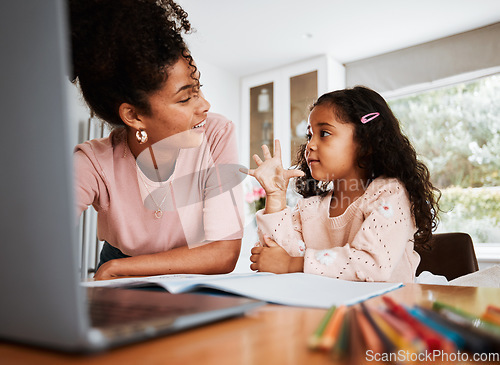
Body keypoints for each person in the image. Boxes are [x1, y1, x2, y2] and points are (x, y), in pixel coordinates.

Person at [70, 0, 244, 280]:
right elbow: (40, 244)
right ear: (134, 115)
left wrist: (118, 268)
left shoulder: (217, 133)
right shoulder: (93, 163)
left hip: (188, 267)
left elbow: (223, 252)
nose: (205, 105)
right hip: (119, 261)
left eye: (198, 88)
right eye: (186, 97)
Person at [243, 86, 440, 283]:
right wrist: (275, 196)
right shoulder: (310, 208)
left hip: (387, 309)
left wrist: (291, 264)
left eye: (325, 133)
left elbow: (371, 265)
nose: (310, 145)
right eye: (310, 135)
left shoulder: (389, 194)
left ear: (366, 142)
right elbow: (277, 257)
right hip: (331, 308)